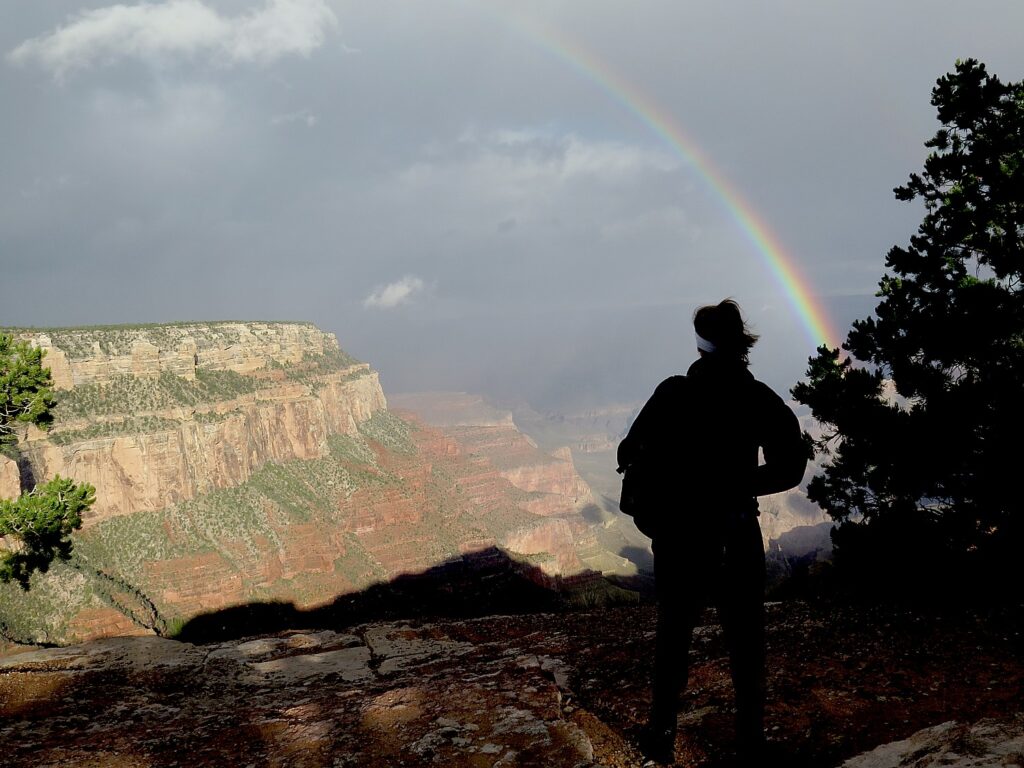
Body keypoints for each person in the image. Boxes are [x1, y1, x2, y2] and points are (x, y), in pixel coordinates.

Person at [617, 299, 807, 765]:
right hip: (735, 534)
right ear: (742, 342)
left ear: (699, 344)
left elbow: (627, 450)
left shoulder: (672, 392)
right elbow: (792, 465)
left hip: (679, 537)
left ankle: (661, 734)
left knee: (674, 635)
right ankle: (750, 742)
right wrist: (741, 484)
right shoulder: (758, 397)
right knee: (746, 642)